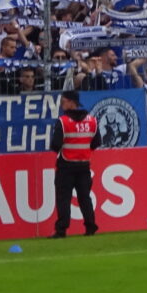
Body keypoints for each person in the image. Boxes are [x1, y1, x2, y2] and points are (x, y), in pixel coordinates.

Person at [49, 89, 101, 237]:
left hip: (66, 165)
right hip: (84, 165)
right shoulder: (92, 121)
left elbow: (55, 145)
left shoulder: (63, 122)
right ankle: (90, 227)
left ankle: (61, 230)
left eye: (63, 101)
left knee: (63, 198)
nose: (61, 105)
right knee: (85, 197)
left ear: (71, 103)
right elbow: (96, 143)